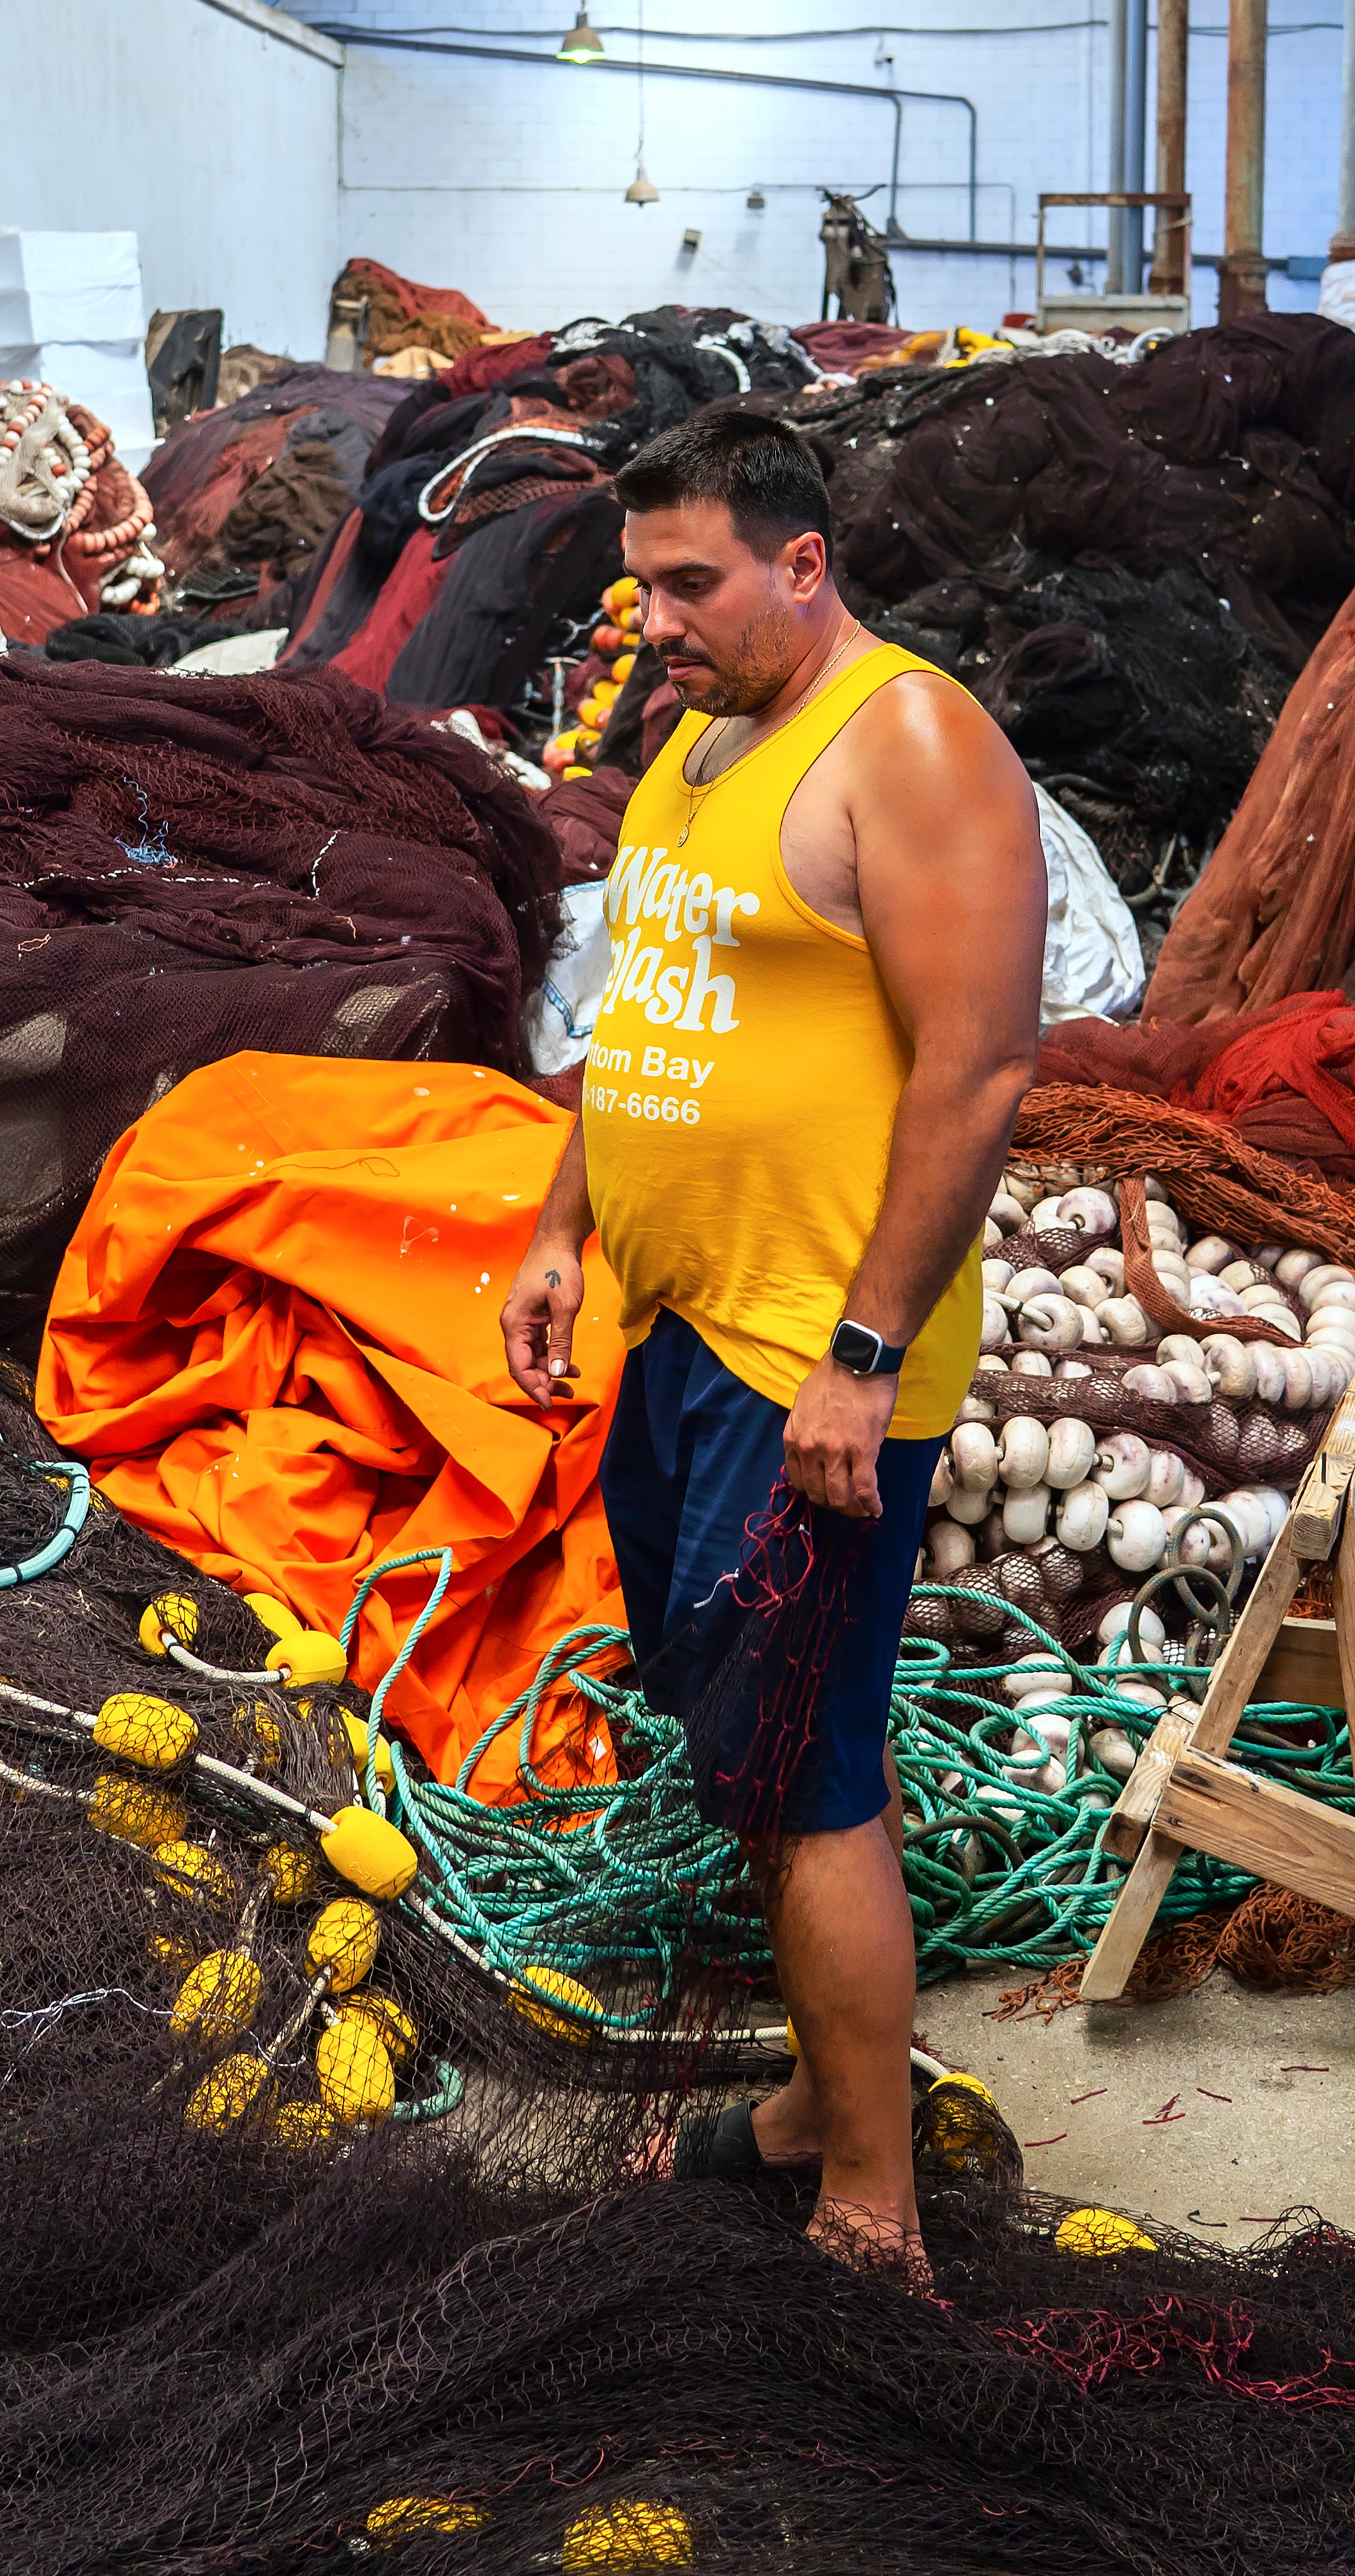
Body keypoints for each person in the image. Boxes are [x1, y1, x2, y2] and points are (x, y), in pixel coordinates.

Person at [500, 406, 1046, 2280]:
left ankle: (868, 2200)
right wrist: (567, 1226)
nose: (651, 616)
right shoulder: (693, 742)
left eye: (690, 580)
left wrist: (866, 1349)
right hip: (678, 1335)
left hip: (813, 1357)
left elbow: (976, 1071)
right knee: (736, 1735)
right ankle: (823, 2091)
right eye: (638, 581)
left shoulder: (907, 740)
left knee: (811, 1764)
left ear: (802, 563)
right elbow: (634, 1008)